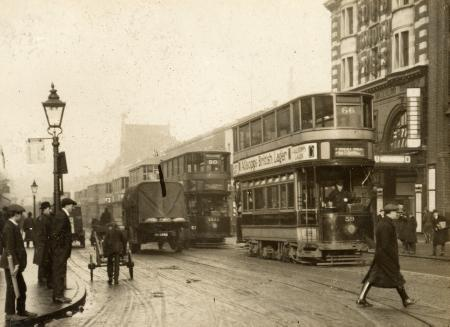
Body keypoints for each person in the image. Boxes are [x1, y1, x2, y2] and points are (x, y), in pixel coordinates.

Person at [356, 203, 416, 308]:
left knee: (373, 276)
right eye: (396, 212)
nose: (397, 214)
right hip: (386, 256)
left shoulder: (386, 223)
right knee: (396, 276)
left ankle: (361, 298)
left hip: (382, 256)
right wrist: (392, 257)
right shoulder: (385, 225)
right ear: (391, 212)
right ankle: (406, 299)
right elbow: (385, 244)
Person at [0, 204, 37, 321]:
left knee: (21, 287)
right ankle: (10, 314)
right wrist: (15, 264)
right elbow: (10, 248)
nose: (21, 216)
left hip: (14, 264)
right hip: (11, 265)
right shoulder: (9, 227)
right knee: (12, 288)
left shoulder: (13, 226)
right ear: (15, 214)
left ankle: (21, 310)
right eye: (20, 213)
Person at [51, 198, 76, 304]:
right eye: (71, 205)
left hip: (61, 251)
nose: (72, 207)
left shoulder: (62, 215)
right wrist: (60, 248)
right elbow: (57, 233)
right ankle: (58, 296)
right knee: (59, 272)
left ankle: (58, 295)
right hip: (60, 251)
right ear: (66, 205)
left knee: (60, 272)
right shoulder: (62, 216)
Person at [33, 202, 52, 285]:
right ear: (45, 209)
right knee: (44, 261)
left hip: (41, 243)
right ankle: (43, 278)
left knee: (42, 261)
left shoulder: (40, 218)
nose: (50, 210)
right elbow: (44, 232)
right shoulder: (45, 219)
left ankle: (42, 277)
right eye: (49, 209)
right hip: (44, 243)